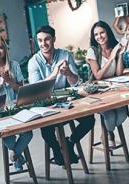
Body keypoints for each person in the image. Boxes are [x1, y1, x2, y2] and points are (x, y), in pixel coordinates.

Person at [28, 25, 95, 165]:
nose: (43, 44)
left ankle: (69, 143)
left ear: (54, 39)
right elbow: (36, 91)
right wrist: (55, 73)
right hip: (45, 103)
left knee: (89, 119)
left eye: (47, 39)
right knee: (46, 129)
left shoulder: (65, 55)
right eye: (40, 40)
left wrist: (68, 74)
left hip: (66, 100)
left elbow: (76, 84)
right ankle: (57, 151)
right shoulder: (33, 62)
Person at [0, 35, 32, 171]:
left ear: (5, 50)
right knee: (8, 137)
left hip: (17, 108)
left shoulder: (14, 65)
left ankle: (14, 154)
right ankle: (17, 158)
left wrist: (9, 81)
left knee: (28, 133)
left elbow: (21, 90)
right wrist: (1, 83)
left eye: (1, 48)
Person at [86, 20, 128, 148]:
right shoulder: (92, 51)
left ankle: (108, 131)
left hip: (114, 89)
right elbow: (98, 76)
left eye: (102, 32)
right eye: (96, 35)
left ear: (107, 32)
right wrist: (111, 58)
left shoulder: (115, 47)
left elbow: (119, 73)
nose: (99, 37)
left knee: (122, 115)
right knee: (110, 118)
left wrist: (119, 55)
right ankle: (109, 134)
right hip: (99, 92)